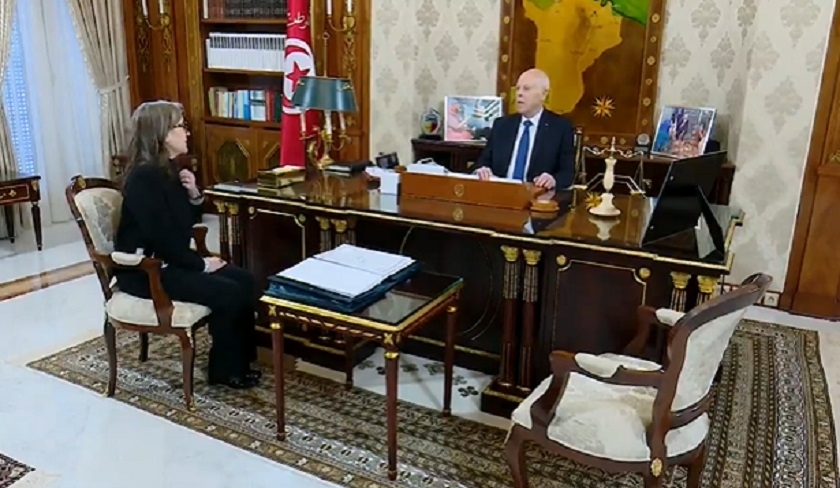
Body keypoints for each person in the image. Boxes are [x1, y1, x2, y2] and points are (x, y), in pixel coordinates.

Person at [114, 100, 260, 389]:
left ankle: (242, 359)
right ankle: (224, 371)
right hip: (147, 271)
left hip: (171, 260)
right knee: (228, 292)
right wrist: (202, 265)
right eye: (180, 127)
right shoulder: (144, 177)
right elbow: (162, 237)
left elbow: (181, 225)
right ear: (163, 134)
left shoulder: (168, 169)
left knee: (245, 280)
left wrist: (193, 194)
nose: (187, 132)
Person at [473, 69, 575, 190]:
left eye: (526, 89)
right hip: (499, 193)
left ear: (543, 94)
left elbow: (567, 173)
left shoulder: (560, 128)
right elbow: (483, 162)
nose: (519, 94)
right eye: (518, 89)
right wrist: (482, 169)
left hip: (536, 195)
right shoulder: (501, 125)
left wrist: (553, 180)